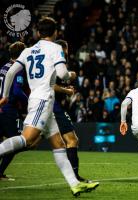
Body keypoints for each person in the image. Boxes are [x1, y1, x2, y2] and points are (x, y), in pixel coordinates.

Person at [0, 17, 99, 196]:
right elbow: (62, 73)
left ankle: (74, 184)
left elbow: (11, 73)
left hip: (39, 99)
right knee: (27, 139)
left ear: (38, 33)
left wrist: (5, 96)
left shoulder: (28, 51)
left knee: (59, 144)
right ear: (55, 33)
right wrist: (71, 75)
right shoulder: (55, 48)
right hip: (43, 100)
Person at [53, 39, 89, 182]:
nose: (67, 52)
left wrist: (66, 90)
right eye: (65, 49)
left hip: (51, 105)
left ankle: (74, 177)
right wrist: (66, 91)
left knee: (31, 141)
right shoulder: (56, 63)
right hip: (52, 106)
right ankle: (75, 177)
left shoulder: (52, 62)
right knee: (72, 140)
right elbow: (51, 86)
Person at [0, 42, 28, 181]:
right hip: (8, 110)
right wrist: (29, 102)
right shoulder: (17, 69)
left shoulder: (4, 67)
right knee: (14, 144)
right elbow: (17, 91)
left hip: (0, 107)